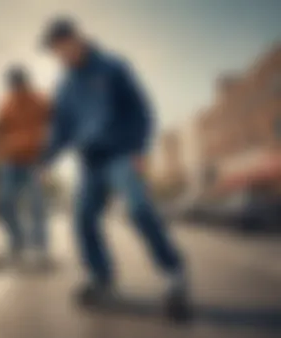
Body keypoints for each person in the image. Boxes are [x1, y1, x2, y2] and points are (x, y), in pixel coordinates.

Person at [39, 17, 188, 308]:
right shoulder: (65, 86)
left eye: (63, 47)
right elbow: (61, 130)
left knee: (138, 208)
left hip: (121, 154)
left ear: (76, 38)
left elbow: (141, 109)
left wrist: (139, 149)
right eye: (55, 52)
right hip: (90, 162)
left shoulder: (112, 67)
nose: (61, 56)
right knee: (82, 218)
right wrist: (45, 160)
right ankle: (101, 278)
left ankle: (174, 273)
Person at [0, 66, 50, 267]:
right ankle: (17, 243)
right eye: (14, 85)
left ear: (26, 83)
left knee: (36, 203)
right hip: (10, 161)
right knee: (4, 201)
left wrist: (47, 151)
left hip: (32, 161)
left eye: (20, 84)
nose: (17, 89)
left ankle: (39, 248)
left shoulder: (40, 101)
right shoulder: (6, 104)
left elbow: (57, 122)